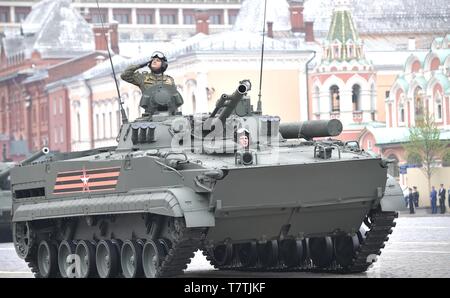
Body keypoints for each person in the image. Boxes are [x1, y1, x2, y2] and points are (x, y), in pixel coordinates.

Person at [121, 51, 182, 115]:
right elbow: (125, 75)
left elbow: (174, 98)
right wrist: (140, 65)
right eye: (153, 60)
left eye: (158, 60)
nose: (154, 61)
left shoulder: (169, 80)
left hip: (168, 114)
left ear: (163, 64)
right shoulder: (143, 78)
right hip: (150, 114)